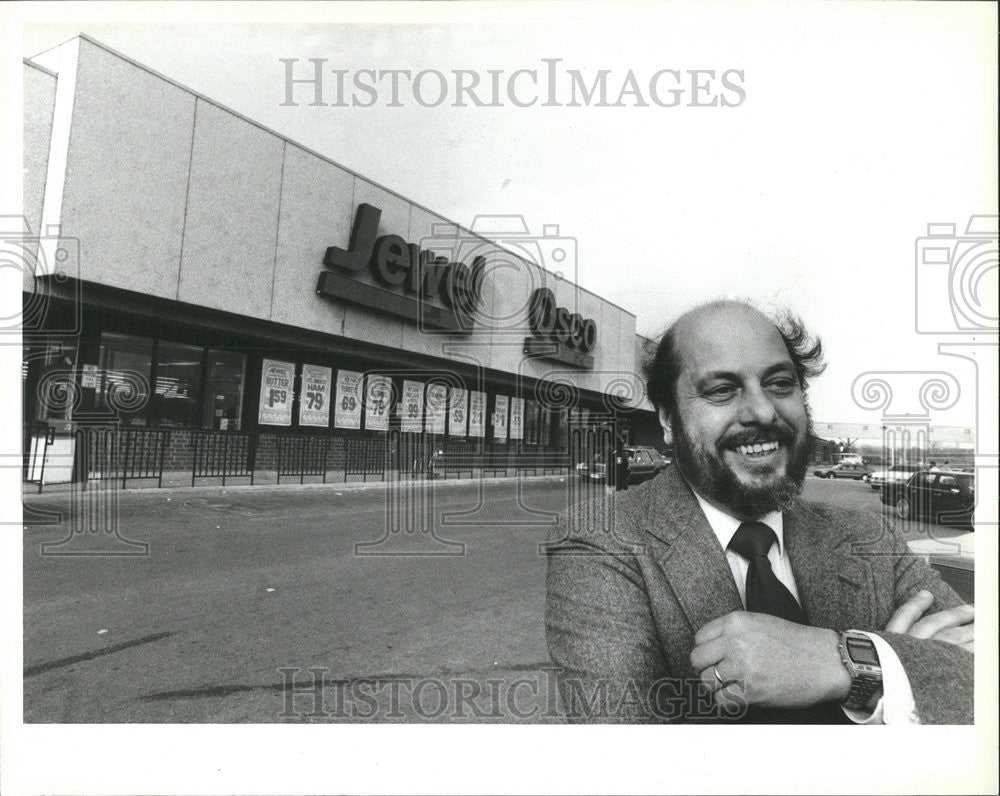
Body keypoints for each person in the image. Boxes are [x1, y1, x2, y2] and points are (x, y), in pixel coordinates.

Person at [545, 300, 973, 723]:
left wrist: (852, 664)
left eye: (780, 383)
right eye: (721, 390)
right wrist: (904, 673)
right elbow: (625, 763)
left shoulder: (868, 538)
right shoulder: (601, 541)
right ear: (668, 419)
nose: (764, 411)